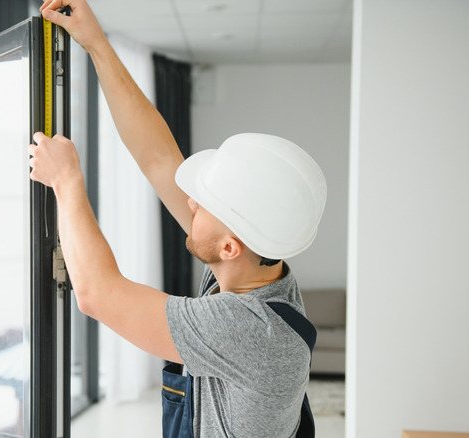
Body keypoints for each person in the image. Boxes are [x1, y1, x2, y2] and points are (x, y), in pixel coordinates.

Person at [29, 1, 327, 436]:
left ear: (229, 247)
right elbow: (157, 158)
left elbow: (97, 294)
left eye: (204, 204)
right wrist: (96, 43)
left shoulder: (248, 329)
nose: (190, 204)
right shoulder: (256, 266)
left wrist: (67, 181)